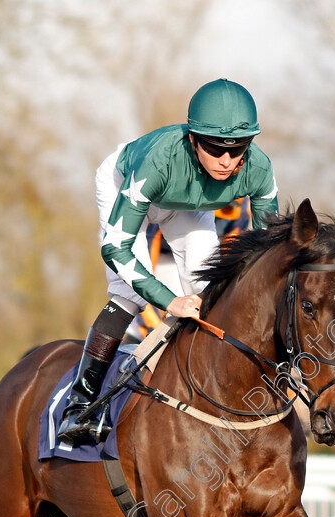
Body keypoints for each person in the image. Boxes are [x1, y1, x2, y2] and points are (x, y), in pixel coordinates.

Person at [57, 78, 279, 442]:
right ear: (193, 139)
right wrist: (169, 300)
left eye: (237, 149)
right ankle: (79, 405)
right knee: (130, 295)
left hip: (186, 205)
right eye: (214, 148)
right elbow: (116, 249)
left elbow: (268, 253)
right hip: (126, 186)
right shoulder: (156, 162)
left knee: (211, 293)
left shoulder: (260, 169)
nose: (226, 161)